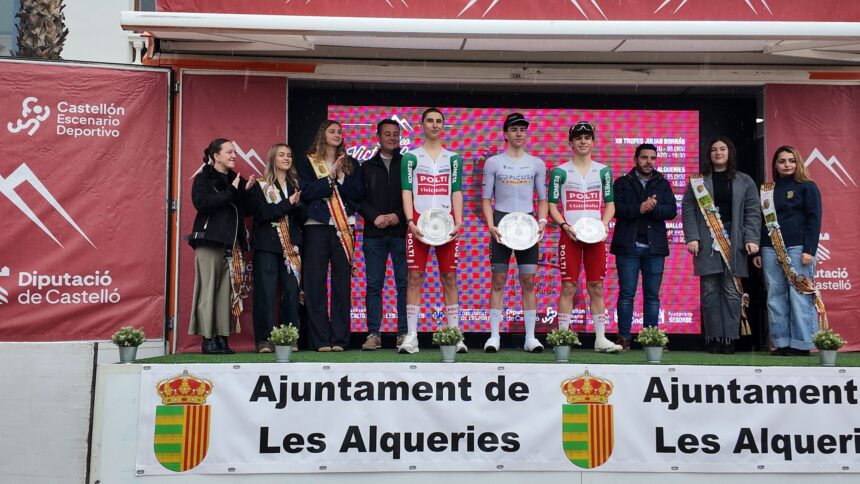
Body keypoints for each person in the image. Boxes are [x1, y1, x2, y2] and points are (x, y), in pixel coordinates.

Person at [682, 136, 761, 354]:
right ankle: (713, 337)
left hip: (734, 241)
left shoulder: (745, 181)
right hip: (707, 241)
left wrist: (752, 239)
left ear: (730, 153)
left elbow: (753, 212)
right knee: (709, 291)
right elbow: (688, 210)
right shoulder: (697, 181)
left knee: (732, 290)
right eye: (714, 149)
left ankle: (730, 337)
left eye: (723, 149)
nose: (718, 153)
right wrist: (692, 237)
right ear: (709, 154)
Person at [548, 121, 622, 353]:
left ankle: (600, 339)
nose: (583, 141)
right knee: (568, 286)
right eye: (578, 137)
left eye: (587, 137)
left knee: (596, 286)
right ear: (570, 142)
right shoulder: (560, 171)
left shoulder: (603, 171)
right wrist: (564, 225)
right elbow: (552, 206)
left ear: (593, 142)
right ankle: (563, 337)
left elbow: (610, 205)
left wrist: (604, 225)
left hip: (595, 237)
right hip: (569, 235)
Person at [398, 107, 466, 354]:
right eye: (430, 121)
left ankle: (454, 335)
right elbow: (407, 191)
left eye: (439, 121)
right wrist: (410, 222)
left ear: (443, 126)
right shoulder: (411, 158)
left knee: (449, 278)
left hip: (447, 226)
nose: (435, 125)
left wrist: (458, 221)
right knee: (415, 277)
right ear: (422, 125)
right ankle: (412, 336)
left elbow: (456, 190)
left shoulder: (453, 158)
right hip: (418, 225)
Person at [481, 112, 548, 353]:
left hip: (528, 225)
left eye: (522, 129)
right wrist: (491, 224)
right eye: (514, 129)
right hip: (501, 223)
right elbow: (486, 199)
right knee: (498, 280)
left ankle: (530, 337)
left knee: (528, 280)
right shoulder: (494, 162)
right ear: (506, 134)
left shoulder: (536, 163)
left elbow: (543, 199)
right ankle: (494, 337)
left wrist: (541, 221)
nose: (519, 133)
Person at [298, 120, 364, 352]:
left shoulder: (351, 163)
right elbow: (305, 193)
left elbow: (357, 195)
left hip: (345, 227)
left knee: (341, 284)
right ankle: (319, 340)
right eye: (332, 131)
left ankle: (339, 340)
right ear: (322, 134)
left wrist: (341, 178)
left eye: (339, 131)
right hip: (316, 225)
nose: (337, 134)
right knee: (315, 283)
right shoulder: (308, 162)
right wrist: (329, 179)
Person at [752, 146, 823, 356]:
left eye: (791, 160)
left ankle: (801, 344)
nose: (787, 165)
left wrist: (809, 249)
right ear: (775, 164)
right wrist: (759, 250)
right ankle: (781, 342)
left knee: (800, 295)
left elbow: (814, 219)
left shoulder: (807, 187)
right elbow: (764, 222)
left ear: (798, 162)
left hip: (798, 247)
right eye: (782, 161)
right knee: (775, 295)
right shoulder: (767, 190)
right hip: (770, 248)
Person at [188, 138, 254, 354]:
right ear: (216, 156)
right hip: (209, 241)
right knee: (208, 291)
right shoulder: (203, 178)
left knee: (227, 293)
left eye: (234, 151)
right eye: (229, 152)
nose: (234, 155)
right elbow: (203, 204)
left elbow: (246, 210)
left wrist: (247, 193)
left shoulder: (236, 179)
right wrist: (231, 193)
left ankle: (222, 338)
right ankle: (208, 340)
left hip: (231, 244)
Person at [610, 143, 677, 350]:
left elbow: (672, 210)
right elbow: (616, 209)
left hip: (654, 247)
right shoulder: (622, 182)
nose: (649, 162)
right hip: (627, 247)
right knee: (627, 294)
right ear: (635, 159)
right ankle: (623, 338)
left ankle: (651, 338)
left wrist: (654, 208)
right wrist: (639, 208)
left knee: (652, 296)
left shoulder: (662, 183)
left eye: (652, 158)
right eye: (644, 157)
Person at [249, 143, 305, 353]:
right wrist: (287, 204)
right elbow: (262, 214)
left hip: (290, 245)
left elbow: (302, 217)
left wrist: (297, 204)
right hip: (267, 245)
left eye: (289, 155)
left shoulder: (295, 184)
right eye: (281, 155)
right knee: (266, 292)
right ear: (273, 158)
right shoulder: (261, 185)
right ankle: (264, 340)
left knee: (291, 291)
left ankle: (289, 337)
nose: (286, 158)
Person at [359, 119, 408, 350]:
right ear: (378, 137)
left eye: (395, 134)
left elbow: (414, 195)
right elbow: (358, 199)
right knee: (374, 284)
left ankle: (403, 333)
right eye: (387, 134)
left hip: (400, 233)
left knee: (404, 284)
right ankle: (373, 334)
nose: (392, 138)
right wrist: (374, 216)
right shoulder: (366, 167)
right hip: (373, 235)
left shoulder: (407, 164)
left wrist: (398, 215)